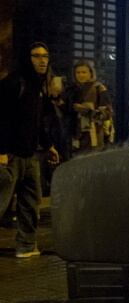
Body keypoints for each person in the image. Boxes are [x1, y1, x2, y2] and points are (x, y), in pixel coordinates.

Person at [0, 41, 61, 258]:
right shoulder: (14, 83)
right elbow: (3, 119)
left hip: (30, 154)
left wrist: (48, 146)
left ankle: (26, 246)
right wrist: (2, 151)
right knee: (2, 202)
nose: (42, 60)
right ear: (27, 58)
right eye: (36, 56)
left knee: (30, 202)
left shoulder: (38, 86)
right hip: (11, 155)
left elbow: (37, 122)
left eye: (45, 56)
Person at [64, 60, 113, 158]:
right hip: (75, 138)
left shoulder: (98, 88)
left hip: (93, 138)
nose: (81, 75)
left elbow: (108, 113)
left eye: (84, 72)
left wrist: (89, 111)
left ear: (90, 73)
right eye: (78, 72)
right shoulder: (71, 90)